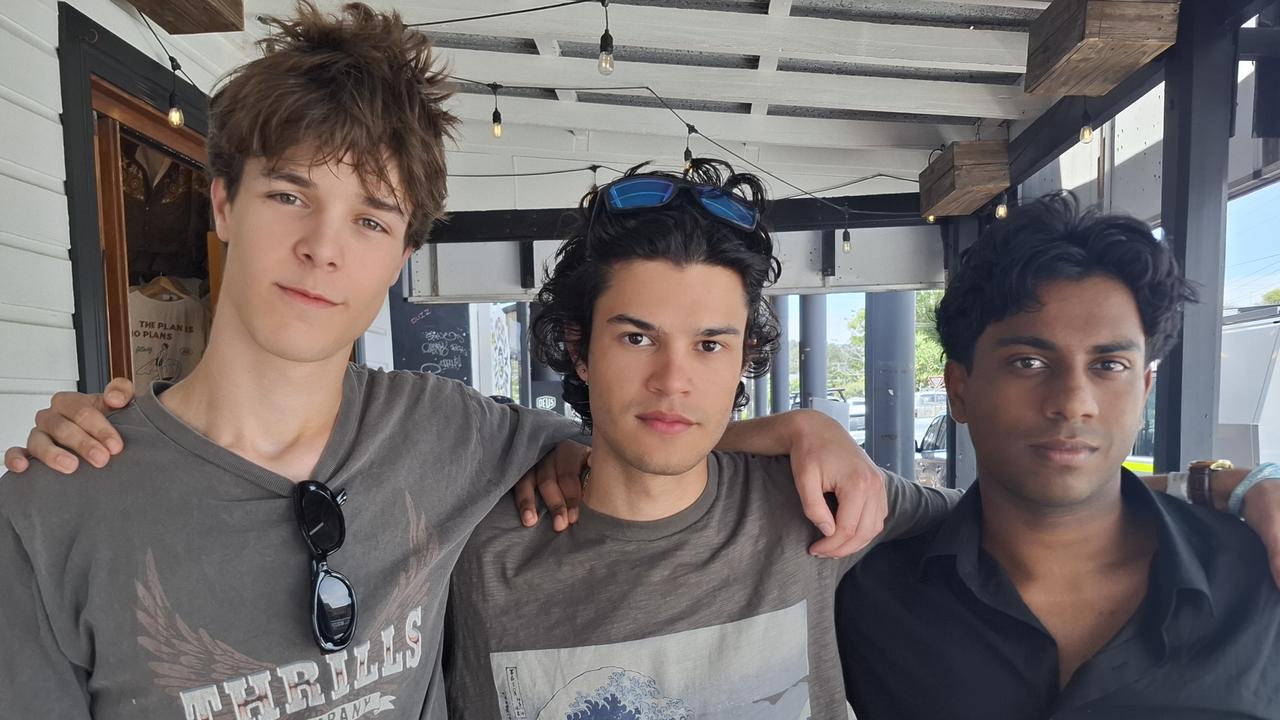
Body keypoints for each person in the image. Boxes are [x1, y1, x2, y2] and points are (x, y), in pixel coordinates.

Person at [0, 5, 886, 718]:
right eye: (288, 194)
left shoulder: (453, 433)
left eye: (372, 219)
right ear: (223, 202)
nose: (323, 249)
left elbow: (640, 434)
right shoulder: (51, 508)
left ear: (403, 255)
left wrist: (803, 429)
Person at [442, 161, 958, 719]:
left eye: (710, 345)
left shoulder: (812, 505)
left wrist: (814, 430)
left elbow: (991, 521)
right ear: (578, 348)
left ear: (743, 358)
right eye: (637, 337)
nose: (672, 380)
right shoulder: (474, 554)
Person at [835, 193, 1280, 719]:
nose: (1073, 402)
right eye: (1028, 361)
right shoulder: (872, 599)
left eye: (1109, 365)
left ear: (1143, 389)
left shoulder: (1260, 578)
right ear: (959, 389)